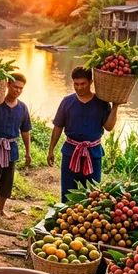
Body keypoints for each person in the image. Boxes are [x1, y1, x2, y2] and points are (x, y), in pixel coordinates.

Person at [47, 66, 119, 201]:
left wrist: (115, 106)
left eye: (83, 84)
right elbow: (58, 126)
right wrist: (51, 149)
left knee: (93, 193)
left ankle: (89, 219)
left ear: (91, 82)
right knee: (68, 191)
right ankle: (66, 218)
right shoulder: (67, 102)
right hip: (71, 152)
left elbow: (109, 127)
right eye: (76, 84)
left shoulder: (102, 103)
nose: (79, 87)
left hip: (93, 153)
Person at [0, 73, 31, 218]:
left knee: (7, 180)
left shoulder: (22, 108)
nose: (18, 91)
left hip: (11, 148)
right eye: (15, 87)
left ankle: (1, 209)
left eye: (21, 88)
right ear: (8, 85)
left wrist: (28, 152)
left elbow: (25, 130)